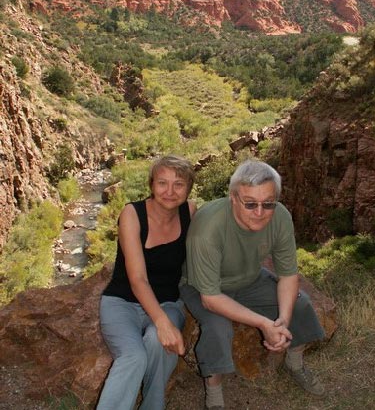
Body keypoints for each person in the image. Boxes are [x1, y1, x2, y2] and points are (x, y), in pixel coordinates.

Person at [180, 159, 325, 410]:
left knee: (299, 304)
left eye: (268, 203)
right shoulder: (208, 227)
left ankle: (295, 362)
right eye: (250, 203)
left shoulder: (280, 218)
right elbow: (210, 298)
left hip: (249, 278)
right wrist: (263, 323)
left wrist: (282, 320)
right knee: (217, 327)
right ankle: (214, 395)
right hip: (201, 285)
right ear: (233, 198)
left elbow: (289, 275)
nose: (260, 212)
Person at [97, 155, 196, 410]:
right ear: (151, 184)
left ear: (189, 188)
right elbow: (137, 279)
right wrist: (162, 322)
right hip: (121, 301)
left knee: (159, 342)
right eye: (162, 183)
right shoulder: (132, 214)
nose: (170, 192)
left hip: (168, 301)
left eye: (179, 184)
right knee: (134, 356)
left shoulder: (190, 212)